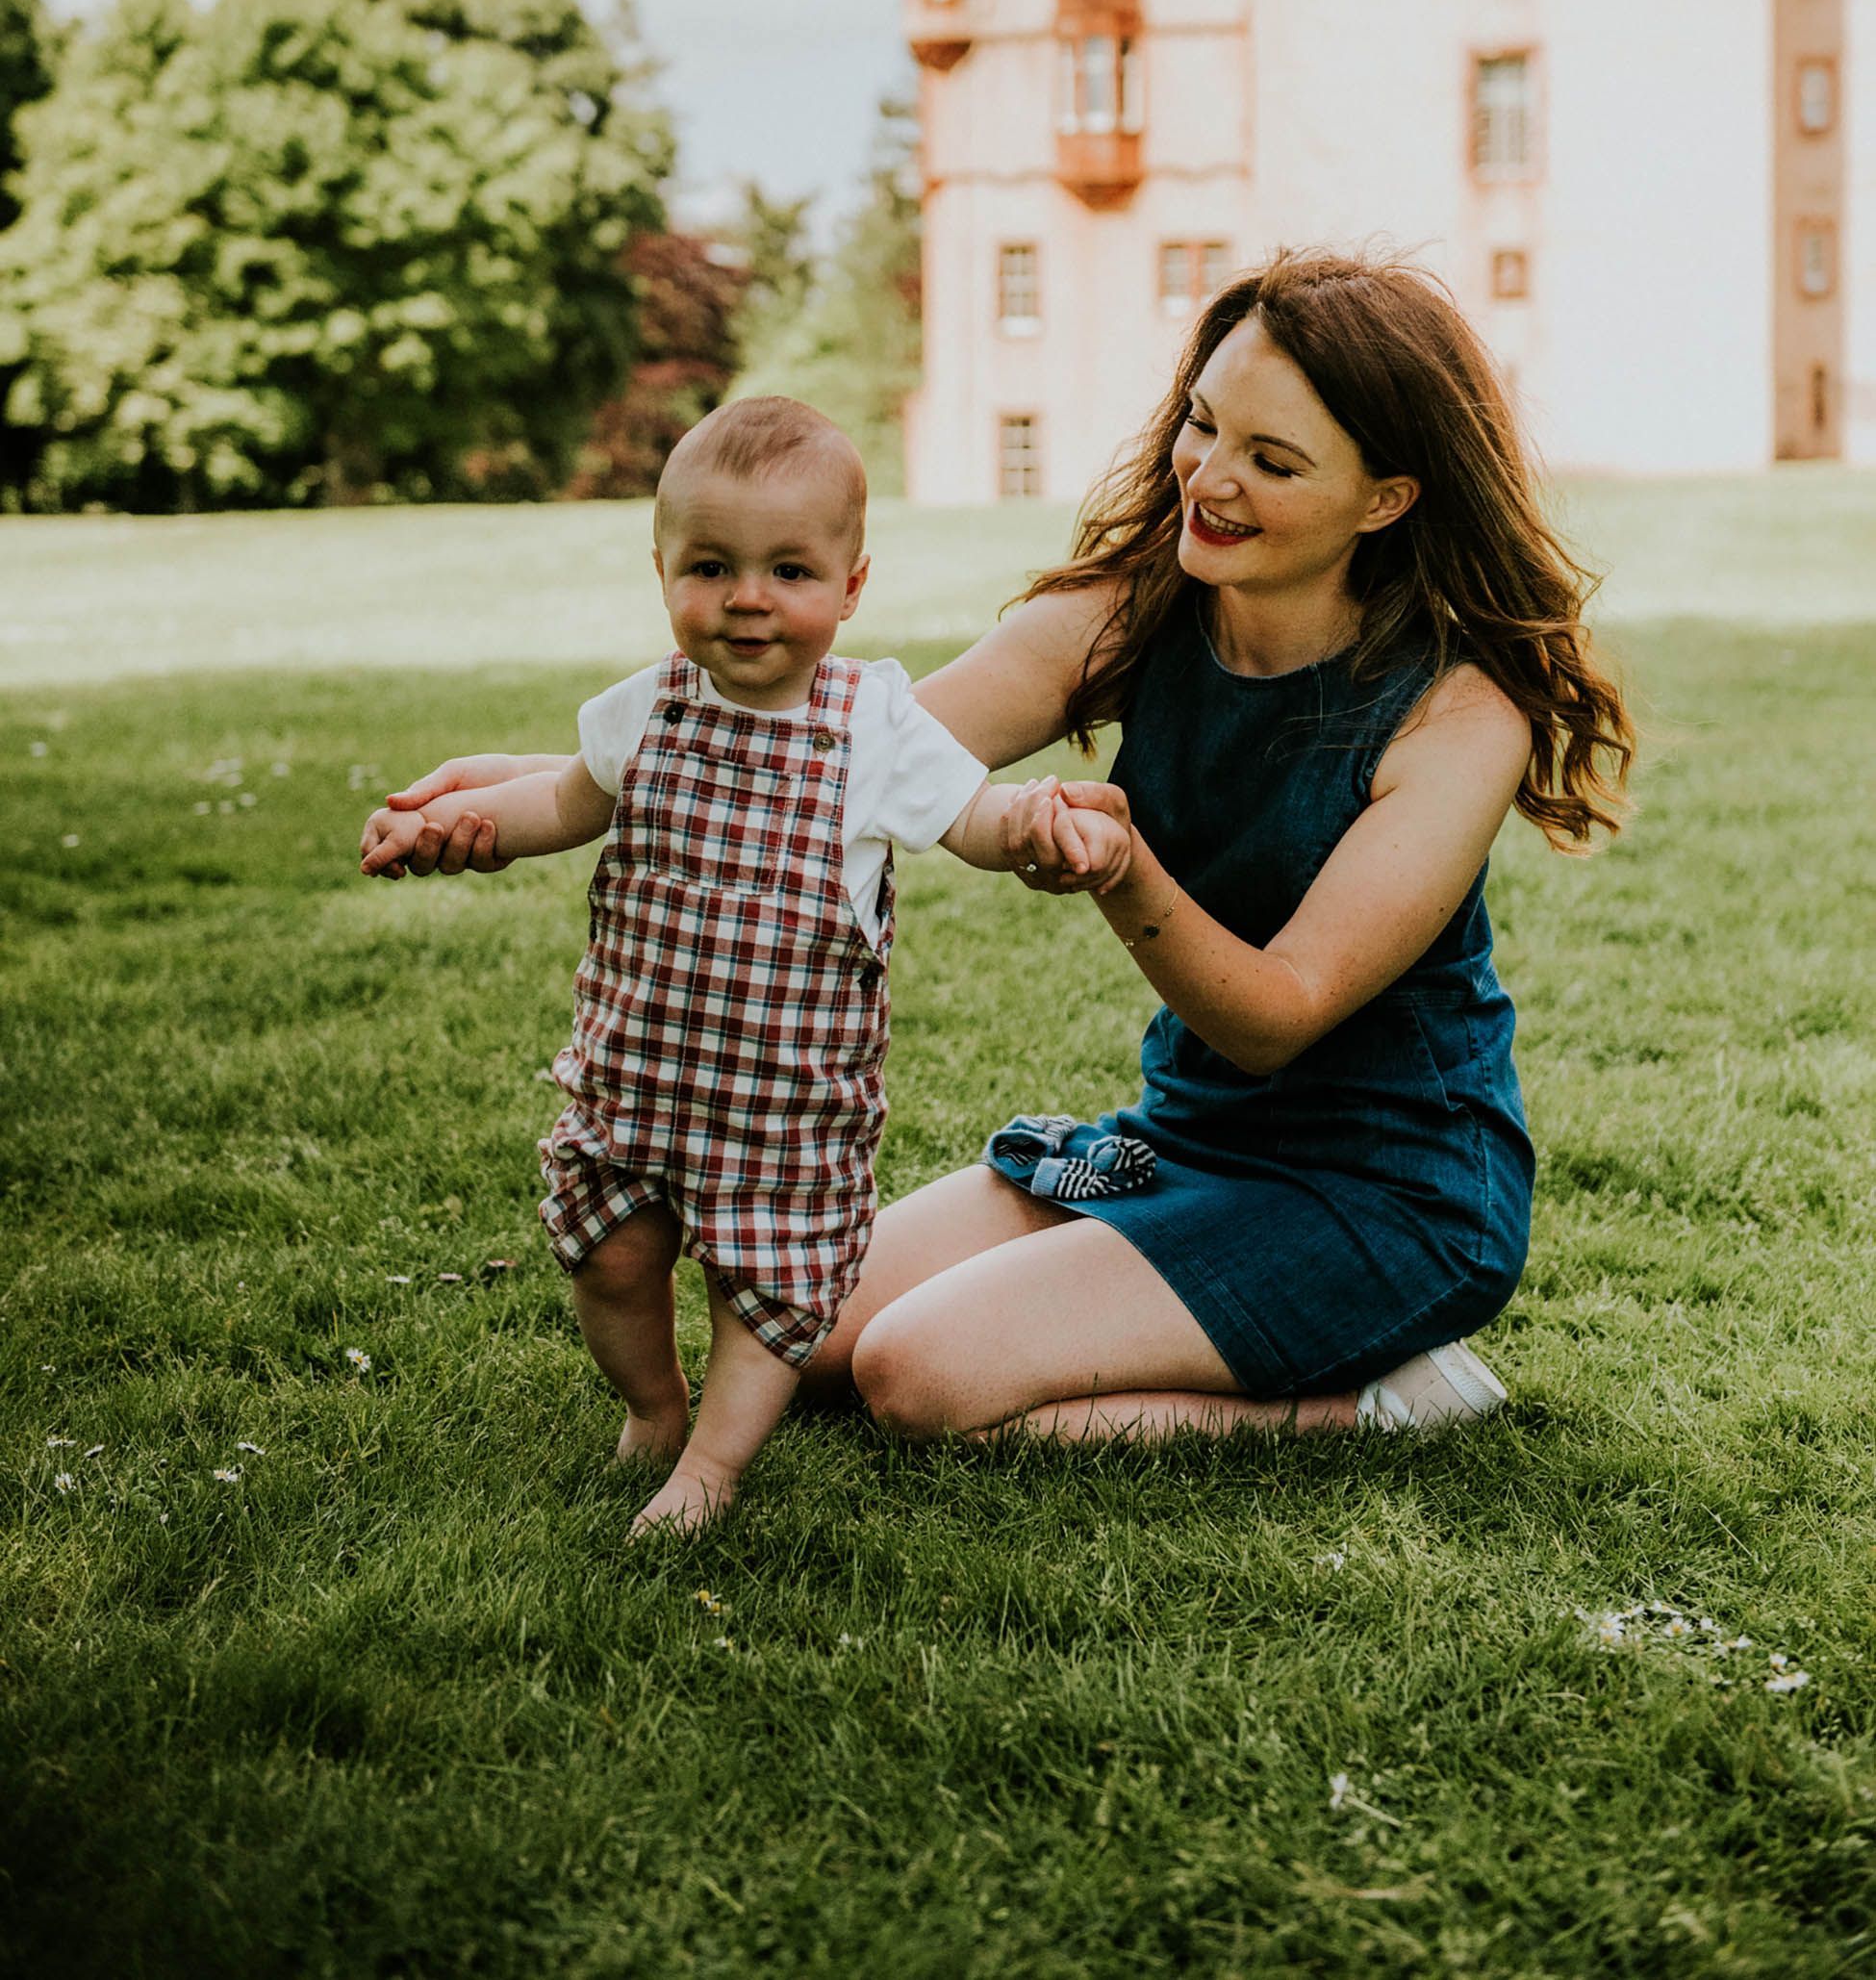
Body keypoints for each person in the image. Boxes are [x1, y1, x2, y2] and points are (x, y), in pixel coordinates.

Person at [397, 252, 1634, 1452]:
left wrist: (1122, 868)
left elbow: (1277, 1014)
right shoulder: (1141, 611)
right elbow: (843, 757)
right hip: (1184, 1140)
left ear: (1387, 498)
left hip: (1384, 1192)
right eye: (1202, 424)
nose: (1208, 477)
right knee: (812, 1328)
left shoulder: (1458, 714)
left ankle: (1387, 1397)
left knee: (912, 1374)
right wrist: (516, 792)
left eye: (1273, 459)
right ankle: (1175, 1281)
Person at [360, 397, 1128, 1533]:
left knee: (757, 1295)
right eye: (711, 566)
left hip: (780, 1105)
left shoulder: (874, 724)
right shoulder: (649, 708)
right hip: (637, 1073)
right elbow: (564, 800)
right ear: (663, 567)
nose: (749, 598)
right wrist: (457, 823)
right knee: (614, 1261)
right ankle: (655, 1407)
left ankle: (711, 1468)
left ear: (852, 585)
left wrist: (1035, 825)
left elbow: (970, 812)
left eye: (790, 570)